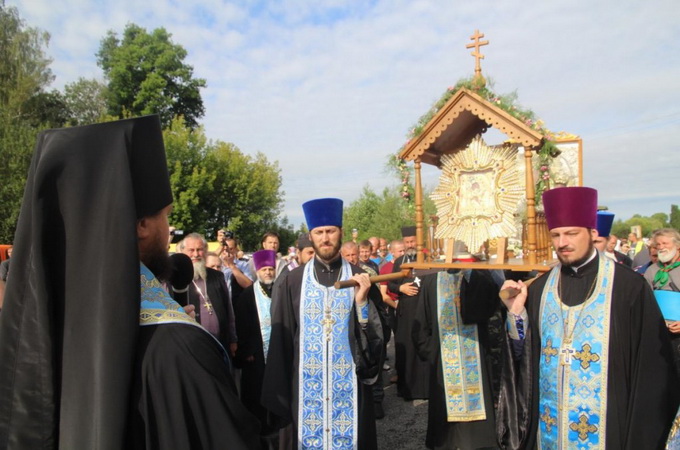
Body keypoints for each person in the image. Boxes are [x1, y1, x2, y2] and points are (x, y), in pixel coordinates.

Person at [0, 116, 260, 448]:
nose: (169, 231)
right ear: (140, 224)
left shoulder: (30, 331)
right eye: (166, 215)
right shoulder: (178, 348)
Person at [497, 186, 679, 449]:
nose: (562, 242)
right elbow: (520, 363)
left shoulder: (629, 288)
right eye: (556, 235)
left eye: (571, 233)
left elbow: (653, 371)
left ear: (593, 234)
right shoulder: (538, 289)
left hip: (610, 428)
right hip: (548, 430)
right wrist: (516, 316)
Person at [262, 198, 384, 449]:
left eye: (331, 231)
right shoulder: (292, 281)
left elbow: (379, 337)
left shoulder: (360, 278)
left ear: (340, 232)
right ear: (311, 235)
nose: (325, 238)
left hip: (351, 387)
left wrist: (361, 304)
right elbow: (281, 339)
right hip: (305, 391)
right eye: (319, 232)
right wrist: (280, 397)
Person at [413, 268, 500, 449]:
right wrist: (431, 353)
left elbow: (488, 308)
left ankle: (478, 442)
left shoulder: (479, 274)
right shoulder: (432, 279)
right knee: (445, 429)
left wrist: (469, 275)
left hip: (475, 353)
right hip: (443, 356)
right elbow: (423, 318)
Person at [235, 249, 281, 449]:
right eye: (264, 269)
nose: (268, 273)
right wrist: (248, 351)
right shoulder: (246, 295)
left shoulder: (281, 290)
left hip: (277, 353)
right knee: (255, 395)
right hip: (256, 355)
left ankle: (279, 429)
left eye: (271, 269)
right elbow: (241, 325)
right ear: (257, 271)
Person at [178, 233, 238, 359]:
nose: (196, 254)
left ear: (205, 252)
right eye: (191, 250)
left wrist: (233, 339)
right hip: (191, 345)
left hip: (220, 342)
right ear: (182, 251)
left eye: (199, 250)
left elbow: (228, 308)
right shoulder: (176, 278)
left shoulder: (217, 276)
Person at [388, 226, 430, 400]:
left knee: (424, 348)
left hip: (424, 311)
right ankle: (407, 390)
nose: (410, 244)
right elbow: (390, 285)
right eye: (407, 242)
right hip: (406, 313)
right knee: (406, 349)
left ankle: (426, 389)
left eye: (413, 241)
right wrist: (401, 287)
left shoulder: (429, 259)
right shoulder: (400, 262)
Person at [644, 228, 680, 375]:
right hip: (659, 331)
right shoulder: (652, 270)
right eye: (658, 244)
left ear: (678, 245)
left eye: (665, 243)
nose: (661, 247)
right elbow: (645, 299)